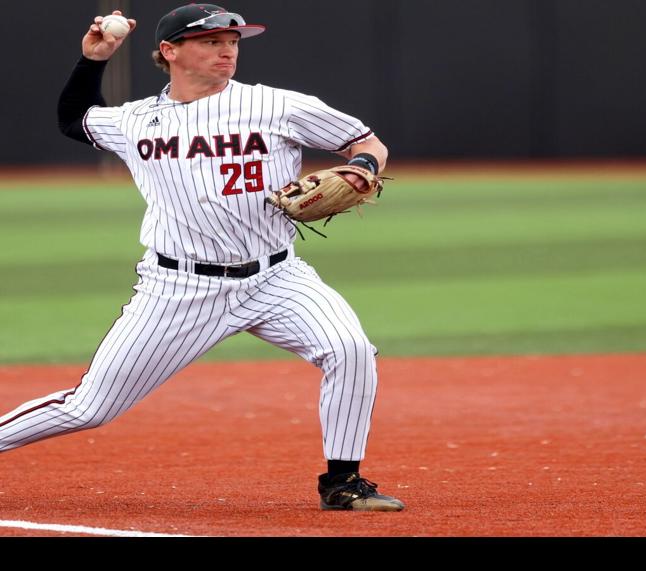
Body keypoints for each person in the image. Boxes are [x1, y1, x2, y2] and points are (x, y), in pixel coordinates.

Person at [0, 4, 404, 512]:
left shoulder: (278, 105)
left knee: (350, 350)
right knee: (89, 408)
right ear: (169, 52)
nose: (227, 50)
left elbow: (366, 142)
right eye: (211, 41)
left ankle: (343, 482)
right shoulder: (136, 120)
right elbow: (73, 119)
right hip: (178, 289)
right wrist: (93, 60)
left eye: (233, 41)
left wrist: (363, 164)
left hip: (276, 276)